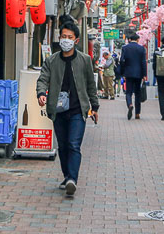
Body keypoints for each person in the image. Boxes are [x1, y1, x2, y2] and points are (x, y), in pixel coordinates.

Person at [36, 21, 98, 197]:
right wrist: (41, 93)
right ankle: (67, 175)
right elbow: (43, 78)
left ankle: (72, 179)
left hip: (78, 110)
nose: (66, 40)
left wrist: (95, 107)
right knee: (62, 146)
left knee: (73, 144)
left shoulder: (85, 60)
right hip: (58, 110)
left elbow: (90, 85)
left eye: (70, 37)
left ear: (76, 40)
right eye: (63, 36)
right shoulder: (52, 60)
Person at [119, 32, 147, 120]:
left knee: (129, 92)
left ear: (129, 40)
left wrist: (122, 73)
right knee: (138, 93)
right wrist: (144, 74)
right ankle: (137, 113)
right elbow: (143, 62)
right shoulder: (141, 48)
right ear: (138, 39)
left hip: (128, 73)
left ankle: (130, 104)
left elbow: (122, 61)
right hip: (138, 74)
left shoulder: (125, 48)